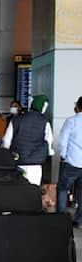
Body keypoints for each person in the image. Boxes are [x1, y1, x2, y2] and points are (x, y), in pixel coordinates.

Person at [2, 94, 54, 185]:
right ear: (43, 107)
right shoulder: (45, 122)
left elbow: (6, 141)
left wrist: (7, 154)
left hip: (18, 161)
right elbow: (49, 141)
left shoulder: (15, 120)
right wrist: (49, 152)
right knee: (33, 188)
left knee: (17, 187)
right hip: (36, 163)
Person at [57, 97, 82, 227]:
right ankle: (79, 220)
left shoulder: (71, 121)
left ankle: (61, 220)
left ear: (78, 106)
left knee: (63, 189)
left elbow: (63, 141)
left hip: (72, 162)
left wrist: (63, 156)